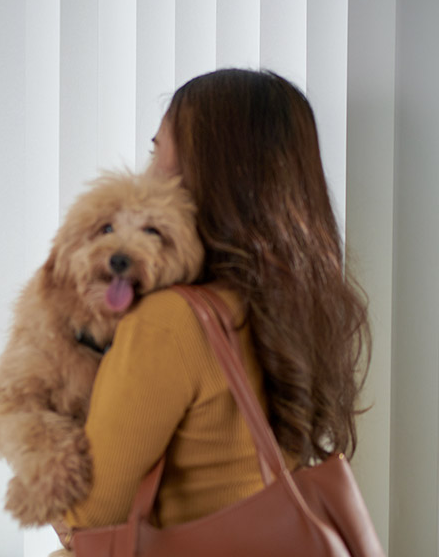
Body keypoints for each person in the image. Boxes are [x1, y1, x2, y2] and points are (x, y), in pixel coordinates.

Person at [61, 69, 370, 533]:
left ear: (209, 175)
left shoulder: (171, 321)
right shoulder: (294, 304)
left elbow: (87, 516)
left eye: (155, 152)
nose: (143, 177)